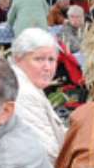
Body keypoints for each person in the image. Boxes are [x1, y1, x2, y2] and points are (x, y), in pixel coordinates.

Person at [7, 27, 66, 159]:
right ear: (18, 59)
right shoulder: (23, 93)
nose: (47, 67)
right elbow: (48, 153)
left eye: (51, 60)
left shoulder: (28, 84)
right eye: (39, 59)